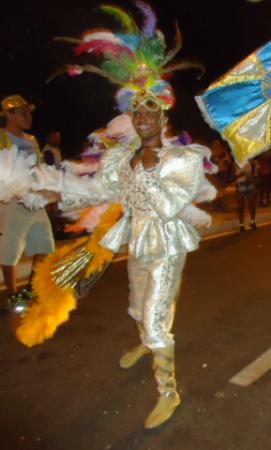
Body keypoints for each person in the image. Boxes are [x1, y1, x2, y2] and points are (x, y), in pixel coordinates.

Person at [31, 2, 213, 429]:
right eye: (138, 111)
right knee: (135, 303)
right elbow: (106, 190)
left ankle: (169, 390)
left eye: (152, 111)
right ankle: (146, 342)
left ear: (163, 115)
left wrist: (137, 166)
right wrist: (56, 192)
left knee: (155, 317)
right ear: (130, 115)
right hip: (137, 238)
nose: (144, 118)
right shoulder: (121, 159)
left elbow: (167, 205)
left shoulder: (183, 159)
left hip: (168, 245)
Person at [0, 95, 55, 309]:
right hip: (12, 203)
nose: (28, 117)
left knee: (45, 246)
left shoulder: (32, 140)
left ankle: (31, 289)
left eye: (29, 113)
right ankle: (13, 294)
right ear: (9, 115)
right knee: (10, 251)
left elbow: (40, 168)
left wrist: (48, 192)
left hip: (35, 202)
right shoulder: (2, 138)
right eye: (23, 113)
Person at [235, 159, 258, 231]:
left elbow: (255, 174)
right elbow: (234, 176)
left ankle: (253, 222)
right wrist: (243, 173)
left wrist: (252, 177)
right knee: (241, 206)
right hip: (241, 186)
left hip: (250, 185)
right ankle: (241, 225)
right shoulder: (237, 162)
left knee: (252, 205)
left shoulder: (252, 162)